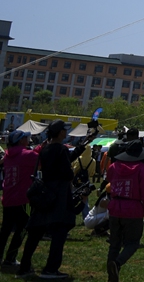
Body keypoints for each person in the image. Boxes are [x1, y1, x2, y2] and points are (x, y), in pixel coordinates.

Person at [18, 119, 92, 279]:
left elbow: (62, 160)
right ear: (60, 133)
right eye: (64, 130)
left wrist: (80, 147)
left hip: (44, 192)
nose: (66, 133)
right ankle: (51, 269)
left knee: (35, 232)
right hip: (59, 195)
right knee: (59, 232)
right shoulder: (60, 149)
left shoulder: (45, 148)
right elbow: (67, 171)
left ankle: (24, 267)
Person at [106, 139, 144, 282]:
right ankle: (117, 263)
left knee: (114, 244)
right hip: (133, 209)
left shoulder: (114, 166)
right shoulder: (141, 168)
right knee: (133, 243)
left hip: (115, 207)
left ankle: (111, 277)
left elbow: (109, 181)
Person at [0, 130, 37, 270]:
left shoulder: (8, 155)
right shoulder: (28, 155)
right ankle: (10, 257)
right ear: (21, 140)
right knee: (22, 229)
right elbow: (40, 162)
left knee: (5, 230)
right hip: (23, 199)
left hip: (8, 197)